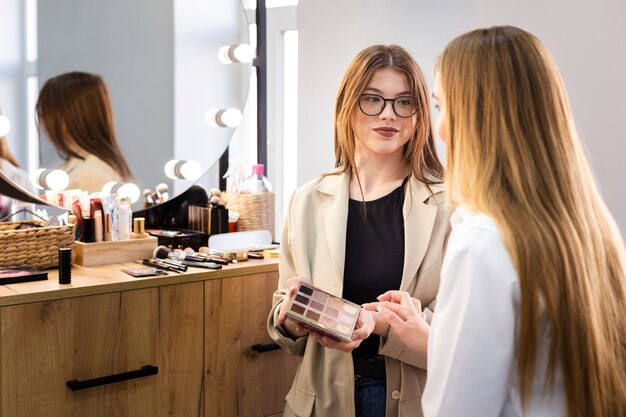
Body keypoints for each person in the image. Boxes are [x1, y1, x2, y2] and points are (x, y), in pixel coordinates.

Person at [364, 26, 626, 417]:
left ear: (477, 115)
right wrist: (438, 340)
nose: (442, 127)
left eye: (442, 106)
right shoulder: (591, 230)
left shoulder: (483, 241)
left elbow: (462, 407)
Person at [267, 44, 451, 417]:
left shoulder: (450, 204)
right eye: (373, 100)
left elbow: (456, 323)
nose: (389, 114)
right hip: (319, 401)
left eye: (404, 102)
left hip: (411, 398)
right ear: (348, 106)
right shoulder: (307, 199)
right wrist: (289, 319)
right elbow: (281, 318)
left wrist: (378, 323)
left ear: (419, 113)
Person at [35, 71, 132, 191]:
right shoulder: (82, 167)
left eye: (45, 111)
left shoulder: (91, 174)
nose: (43, 121)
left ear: (63, 116)